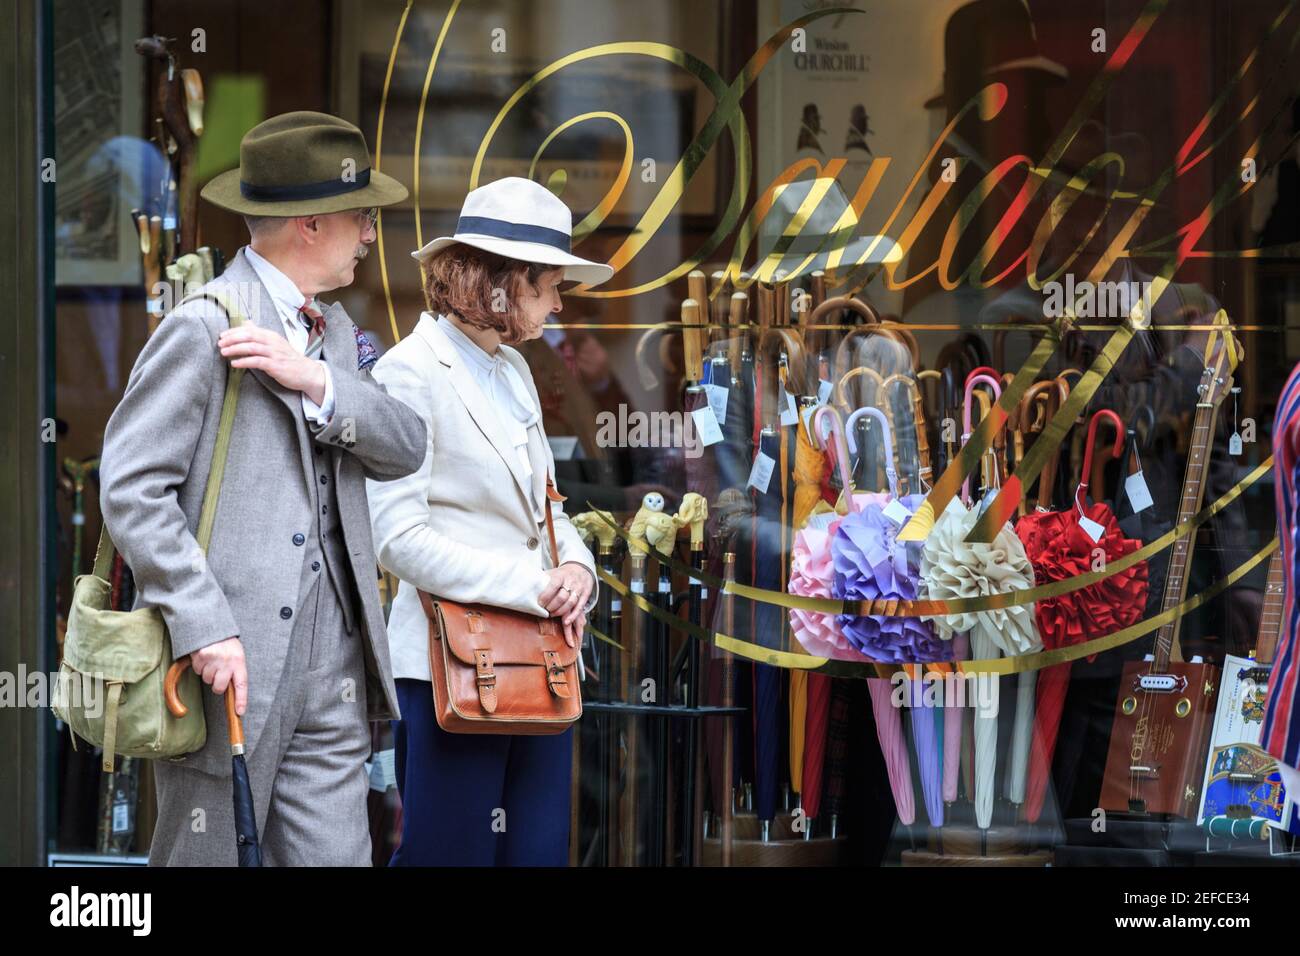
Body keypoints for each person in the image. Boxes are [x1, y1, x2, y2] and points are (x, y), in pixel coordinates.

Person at [98, 111, 427, 865]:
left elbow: (407, 445)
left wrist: (316, 379)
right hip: (227, 666)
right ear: (310, 223)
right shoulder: (201, 326)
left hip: (335, 671)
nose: (372, 235)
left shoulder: (338, 336)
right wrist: (202, 622)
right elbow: (130, 487)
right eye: (361, 216)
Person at [366, 176, 612, 865]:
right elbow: (398, 539)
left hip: (537, 661)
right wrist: (531, 586)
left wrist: (575, 570)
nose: (560, 302)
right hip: (453, 663)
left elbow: (548, 506)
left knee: (534, 855)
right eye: (550, 286)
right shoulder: (410, 370)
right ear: (502, 285)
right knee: (452, 857)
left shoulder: (514, 369)